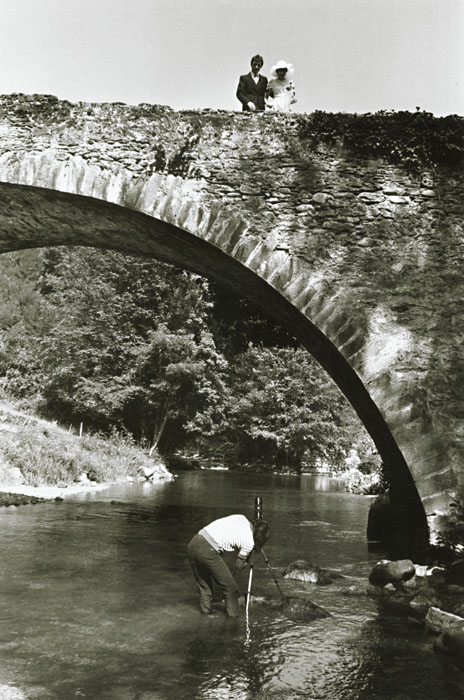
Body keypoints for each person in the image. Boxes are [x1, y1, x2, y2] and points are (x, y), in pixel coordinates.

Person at [188, 513, 270, 617]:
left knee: (205, 587)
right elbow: (238, 566)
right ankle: (233, 622)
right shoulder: (249, 543)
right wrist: (246, 560)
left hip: (194, 543)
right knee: (231, 589)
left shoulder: (241, 517)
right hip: (207, 550)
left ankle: (205, 616)